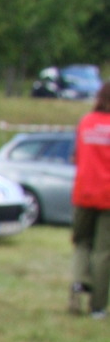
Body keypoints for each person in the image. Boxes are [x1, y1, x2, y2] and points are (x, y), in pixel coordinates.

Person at [68, 80, 110, 318]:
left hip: (83, 193)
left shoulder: (86, 122)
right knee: (103, 251)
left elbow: (76, 157)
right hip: (108, 197)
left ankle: (77, 284)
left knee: (82, 243)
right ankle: (98, 306)